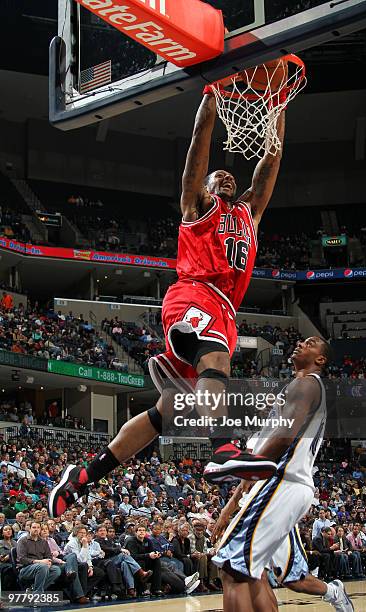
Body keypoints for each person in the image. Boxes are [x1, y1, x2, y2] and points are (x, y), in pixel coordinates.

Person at [48, 85, 287, 517]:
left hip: (224, 311)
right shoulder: (197, 206)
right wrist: (209, 102)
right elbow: (197, 150)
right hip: (193, 293)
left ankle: (83, 477)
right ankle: (223, 447)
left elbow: (270, 163)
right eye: (218, 176)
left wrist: (280, 104)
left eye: (229, 175)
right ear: (206, 187)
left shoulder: (248, 213)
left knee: (166, 412)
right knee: (215, 362)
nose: (225, 176)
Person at [210, 337, 354, 612]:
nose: (300, 342)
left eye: (310, 343)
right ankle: (334, 592)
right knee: (257, 573)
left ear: (320, 359)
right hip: (285, 486)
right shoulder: (299, 390)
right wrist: (229, 507)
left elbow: (284, 438)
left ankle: (332, 592)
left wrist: (244, 466)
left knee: (232, 568)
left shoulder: (306, 383)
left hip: (281, 484)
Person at [16, 522, 61, 594]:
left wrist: (49, 562)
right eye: (34, 527)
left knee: (56, 570)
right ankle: (37, 596)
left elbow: (49, 556)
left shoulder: (43, 542)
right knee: (42, 567)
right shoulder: (23, 541)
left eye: (38, 528)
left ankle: (32, 589)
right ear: (29, 529)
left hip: (41, 566)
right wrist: (39, 562)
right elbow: (22, 559)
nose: (36, 529)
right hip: (25, 568)